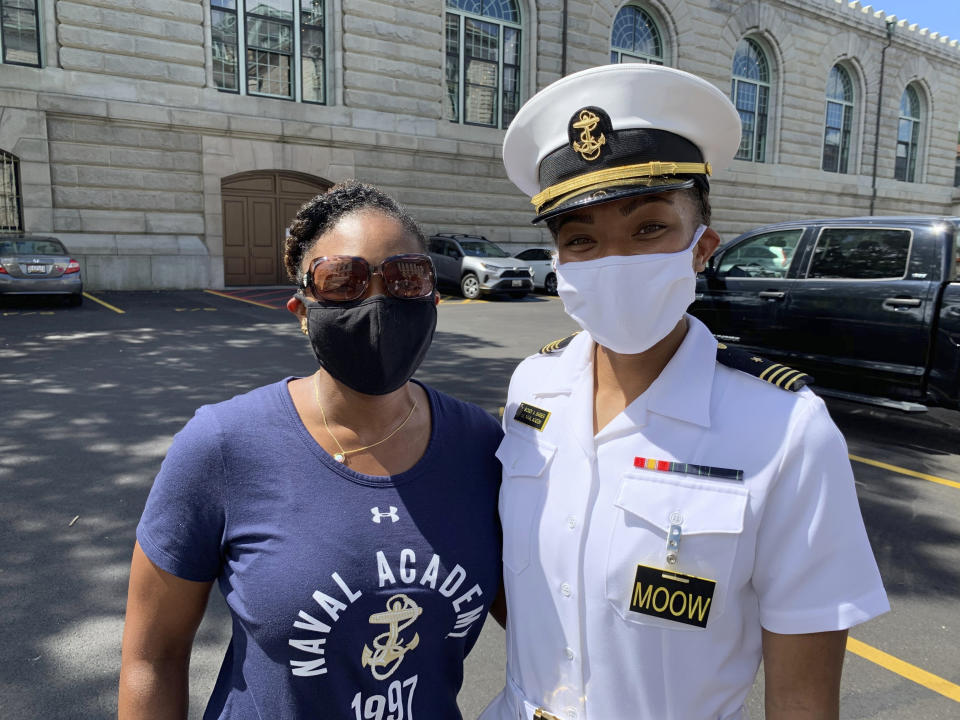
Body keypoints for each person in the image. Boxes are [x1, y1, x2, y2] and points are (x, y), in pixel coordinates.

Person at [480, 65, 889, 720]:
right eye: (580, 239)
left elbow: (803, 699)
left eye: (648, 229)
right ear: (558, 265)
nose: (614, 260)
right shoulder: (535, 386)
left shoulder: (784, 428)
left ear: (703, 248)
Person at [119, 181, 504, 719]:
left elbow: (552, 622)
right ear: (302, 309)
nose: (377, 301)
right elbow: (152, 660)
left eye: (404, 277)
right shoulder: (224, 445)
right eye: (342, 281)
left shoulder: (482, 446)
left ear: (432, 294)